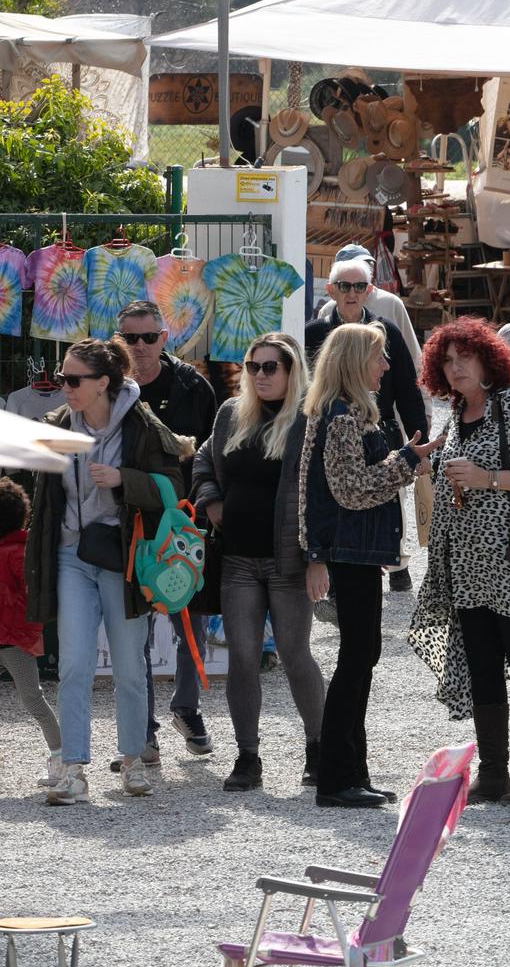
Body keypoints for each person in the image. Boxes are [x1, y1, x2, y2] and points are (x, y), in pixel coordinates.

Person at [411, 317, 510, 805]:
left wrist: (489, 478)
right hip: (470, 570)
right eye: (447, 360)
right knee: (483, 669)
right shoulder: (457, 412)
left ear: (488, 359)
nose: (455, 367)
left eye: (465, 357)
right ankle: (494, 773)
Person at [27, 338, 191, 804]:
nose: (64, 386)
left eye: (73, 379)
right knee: (74, 664)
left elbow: (174, 485)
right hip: (70, 556)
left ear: (103, 383)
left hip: (123, 560)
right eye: (62, 378)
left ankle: (134, 758)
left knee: (128, 667)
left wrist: (125, 480)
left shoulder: (140, 424)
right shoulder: (58, 423)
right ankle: (74, 768)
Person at [299, 323, 441, 809]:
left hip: (357, 552)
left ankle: (351, 772)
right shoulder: (342, 415)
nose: (386, 366)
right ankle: (336, 778)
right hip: (350, 552)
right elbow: (351, 489)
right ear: (356, 361)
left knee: (363, 658)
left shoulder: (347, 411)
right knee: (356, 660)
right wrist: (406, 460)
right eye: (379, 357)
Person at [190, 332, 325, 793]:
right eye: (253, 366)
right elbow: (203, 460)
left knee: (294, 655)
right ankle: (248, 756)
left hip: (289, 561)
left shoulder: (309, 419)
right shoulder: (231, 414)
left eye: (271, 367)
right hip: (238, 559)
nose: (261, 375)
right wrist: (209, 499)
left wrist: (317, 559)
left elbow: (322, 494)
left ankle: (319, 747)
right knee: (242, 659)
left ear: (292, 371)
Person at [115, 299, 219, 762]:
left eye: (148, 337)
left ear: (165, 337)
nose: (140, 346)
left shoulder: (192, 386)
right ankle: (146, 727)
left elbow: (213, 451)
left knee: (188, 619)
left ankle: (186, 707)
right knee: (134, 627)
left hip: (183, 518)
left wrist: (207, 507)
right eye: (130, 338)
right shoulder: (108, 385)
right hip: (129, 520)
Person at [306, 259, 431, 594]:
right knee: (340, 494)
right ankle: (344, 566)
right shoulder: (314, 332)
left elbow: (407, 388)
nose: (352, 293)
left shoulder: (386, 330)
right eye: (344, 286)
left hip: (381, 427)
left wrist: (421, 442)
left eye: (359, 286)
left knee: (389, 492)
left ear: (369, 291)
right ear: (331, 290)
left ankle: (395, 564)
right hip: (338, 424)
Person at [0, 477, 64, 792]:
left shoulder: (15, 552)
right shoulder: (16, 549)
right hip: (12, 637)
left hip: (11, 637)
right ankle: (61, 756)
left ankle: (62, 758)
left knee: (33, 698)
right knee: (33, 698)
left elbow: (26, 596)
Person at [314, 243, 421, 365]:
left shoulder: (392, 303)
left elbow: (413, 354)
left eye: (368, 265)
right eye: (345, 285)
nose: (352, 293)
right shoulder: (328, 310)